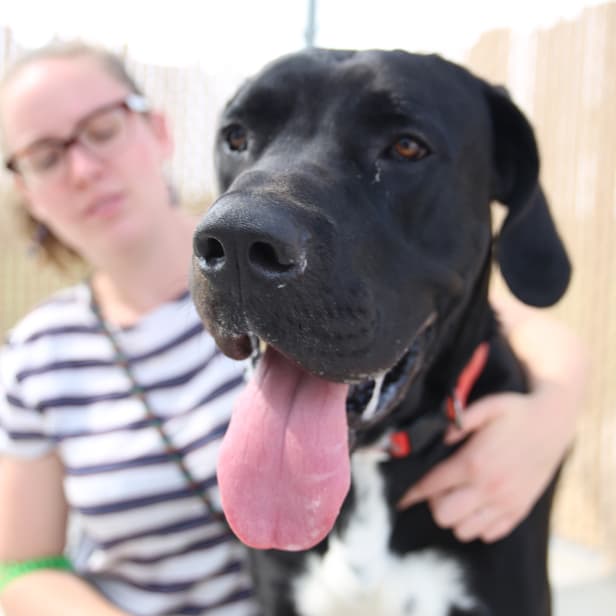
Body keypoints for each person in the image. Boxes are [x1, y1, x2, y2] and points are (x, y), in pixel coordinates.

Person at [0, 41, 586, 616]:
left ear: (158, 131)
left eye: (404, 147)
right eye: (45, 155)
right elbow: (19, 567)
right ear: (24, 187)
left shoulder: (487, 420)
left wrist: (549, 416)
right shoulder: (40, 354)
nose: (82, 168)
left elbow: (527, 328)